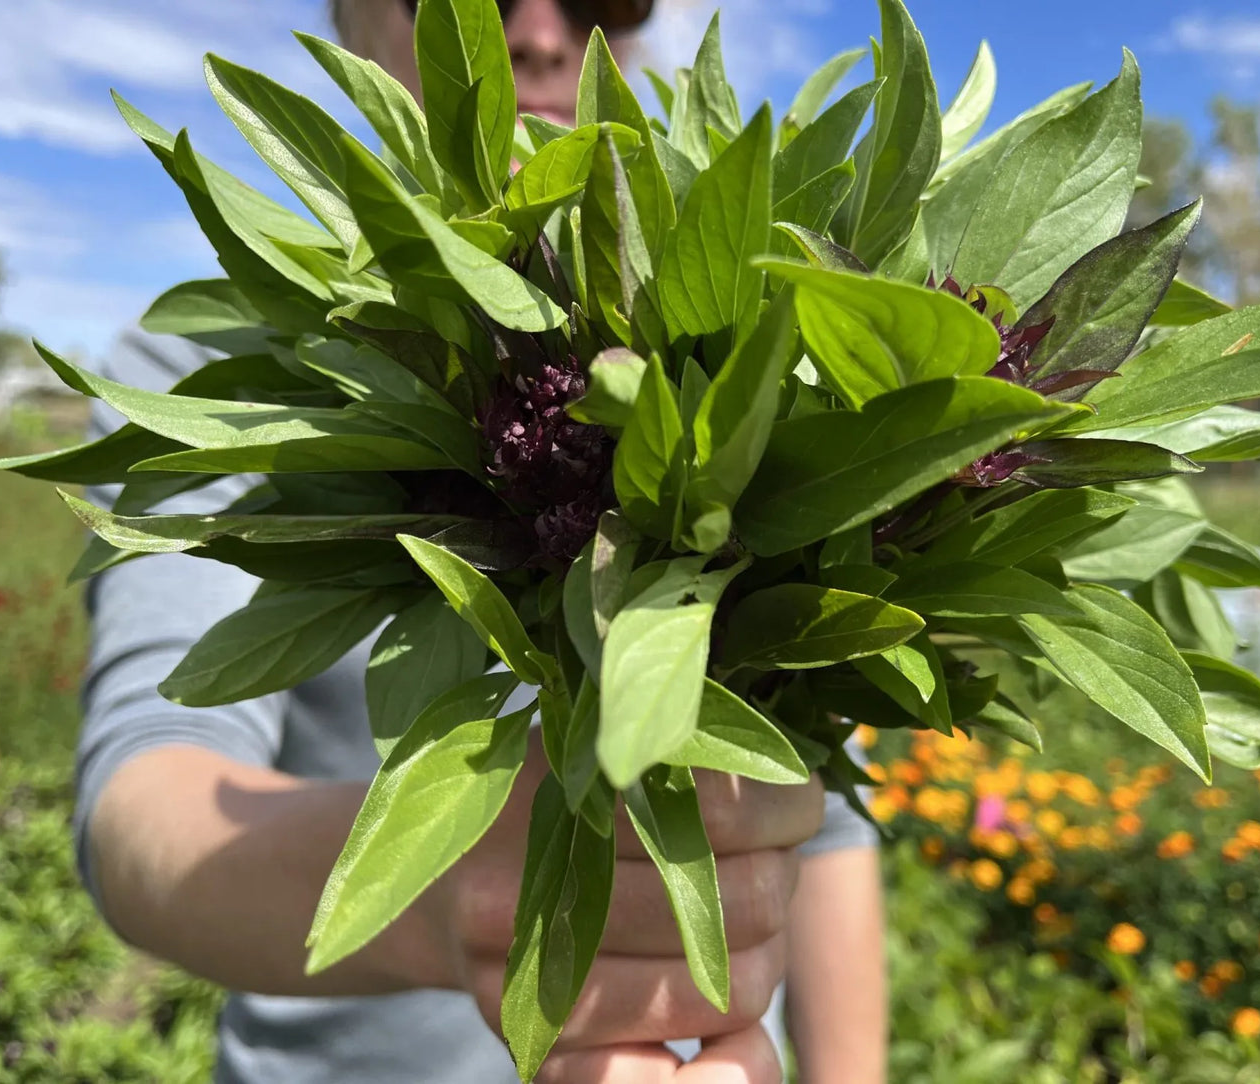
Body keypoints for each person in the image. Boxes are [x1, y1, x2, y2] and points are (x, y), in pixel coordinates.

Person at [73, 1, 887, 1081]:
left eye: (603, 0)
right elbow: (143, 801)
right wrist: (453, 886)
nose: (542, 34)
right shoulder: (231, 363)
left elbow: (816, 816)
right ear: (360, 25)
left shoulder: (746, 330)